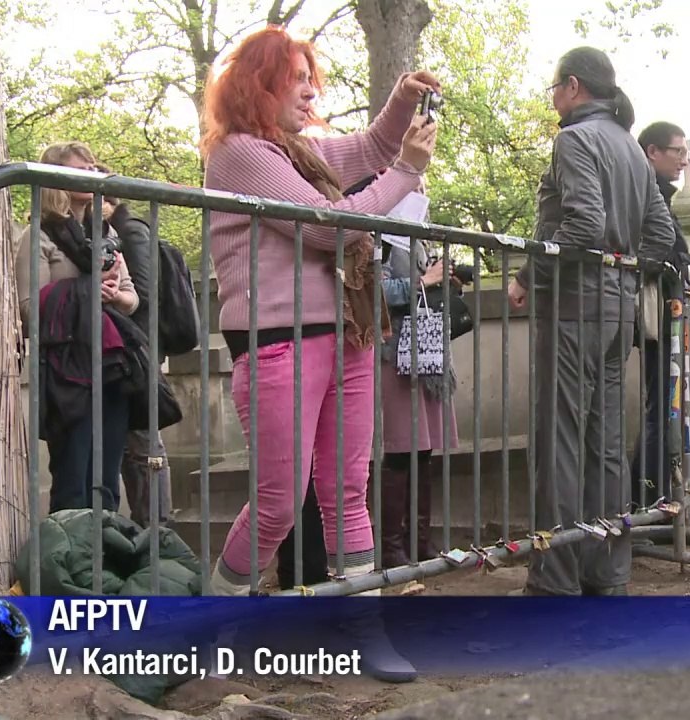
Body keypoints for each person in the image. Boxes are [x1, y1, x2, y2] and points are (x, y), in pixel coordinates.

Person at [199, 26, 439, 681]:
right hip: (279, 345)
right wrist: (408, 173)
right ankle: (219, 624)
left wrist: (399, 102)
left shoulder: (299, 150)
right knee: (278, 502)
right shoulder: (241, 153)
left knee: (346, 492)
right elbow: (328, 230)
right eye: (295, 80)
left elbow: (366, 148)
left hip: (346, 338)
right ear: (258, 85)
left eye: (313, 80)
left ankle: (365, 630)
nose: (310, 92)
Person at [506, 47, 677, 596]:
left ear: (573, 86)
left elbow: (582, 222)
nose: (552, 98)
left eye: (553, 88)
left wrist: (529, 277)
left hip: (573, 310)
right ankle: (607, 573)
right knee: (605, 446)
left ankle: (553, 581)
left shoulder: (574, 139)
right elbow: (660, 236)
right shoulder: (630, 146)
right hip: (614, 314)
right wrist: (626, 277)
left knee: (559, 443)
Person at [15, 142, 139, 515]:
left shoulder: (106, 237)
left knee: (107, 480)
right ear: (55, 178)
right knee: (72, 478)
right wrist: (87, 290)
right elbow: (28, 308)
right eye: (80, 169)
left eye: (93, 167)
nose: (92, 172)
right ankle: (70, 567)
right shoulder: (37, 236)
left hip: (111, 367)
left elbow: (132, 301)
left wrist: (114, 296)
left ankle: (105, 567)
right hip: (66, 373)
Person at [633, 122, 690, 502]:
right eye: (678, 152)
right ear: (653, 151)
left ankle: (658, 496)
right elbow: (664, 251)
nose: (684, 160)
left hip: (665, 313)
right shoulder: (645, 192)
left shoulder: (654, 192)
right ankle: (652, 499)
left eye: (686, 153)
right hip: (656, 314)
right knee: (661, 408)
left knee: (666, 406)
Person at [377, 188, 461, 568]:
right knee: (400, 448)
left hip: (425, 355)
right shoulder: (378, 234)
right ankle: (391, 545)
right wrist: (424, 282)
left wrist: (443, 280)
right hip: (395, 353)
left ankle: (419, 538)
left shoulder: (416, 233)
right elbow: (373, 289)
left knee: (423, 448)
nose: (422, 190)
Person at [92, 163, 176, 529]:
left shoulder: (129, 230)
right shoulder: (107, 230)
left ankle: (158, 532)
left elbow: (145, 294)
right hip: (120, 351)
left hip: (134, 353)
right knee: (131, 448)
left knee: (144, 447)